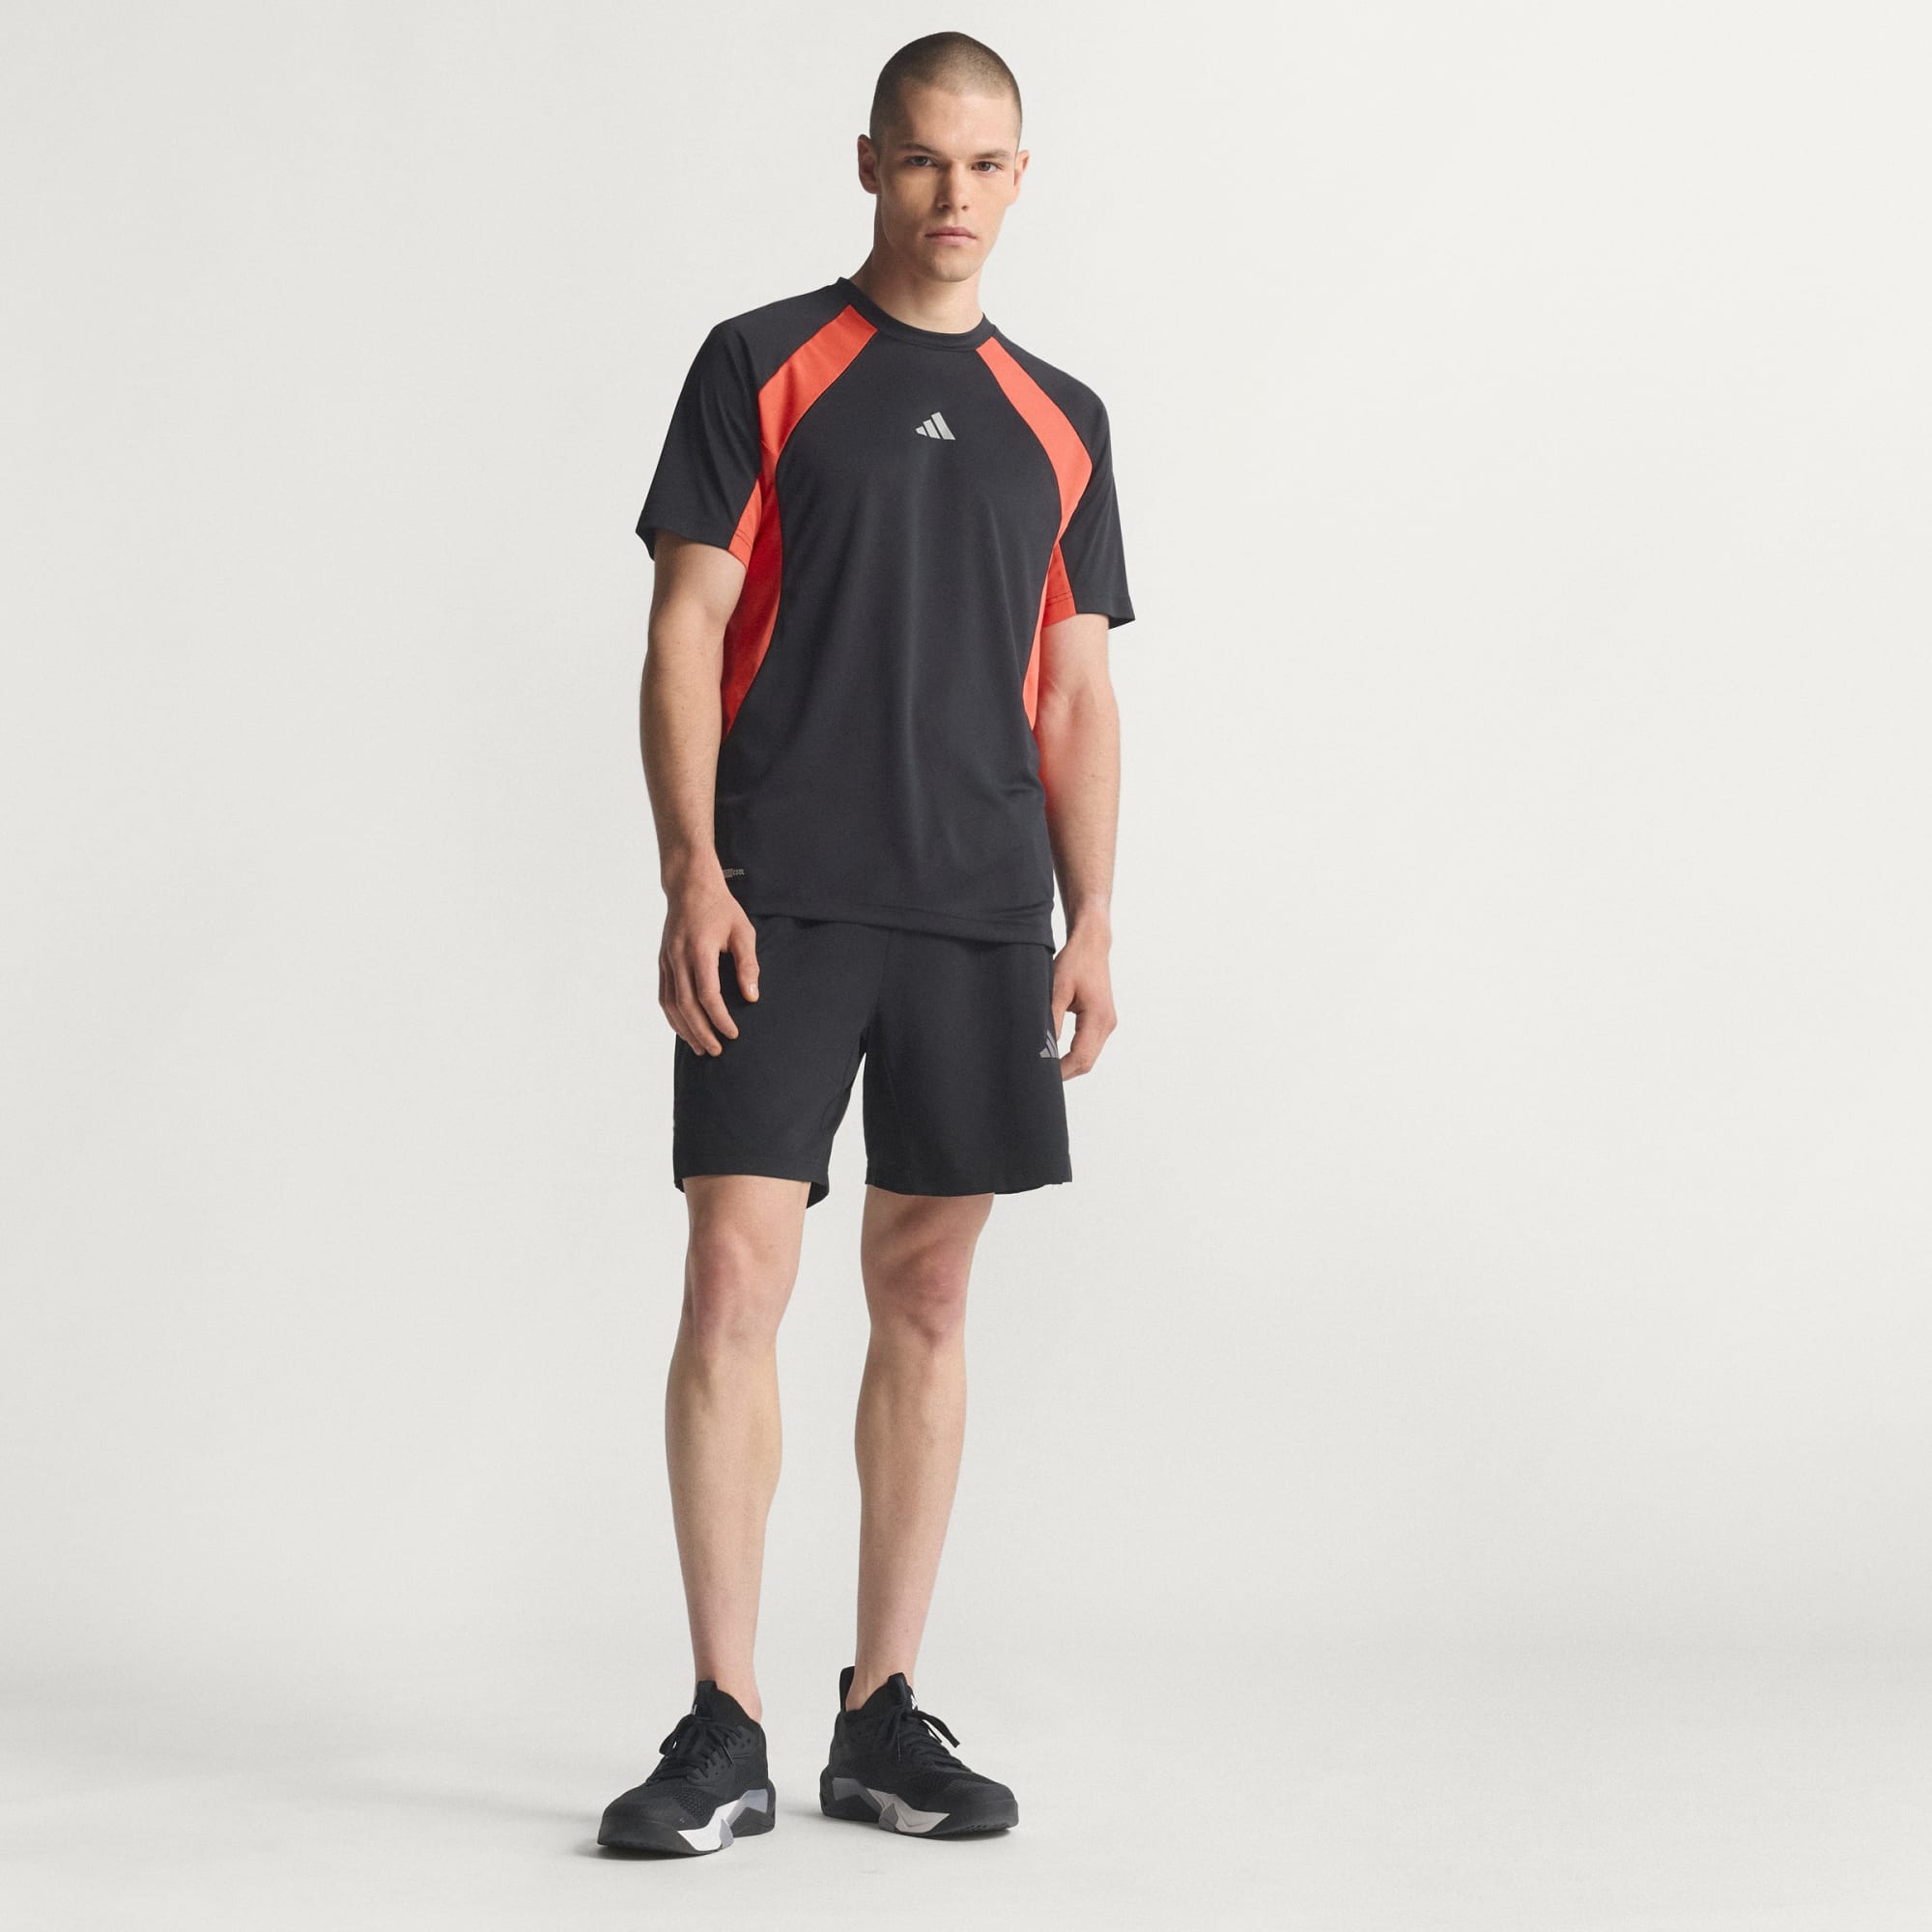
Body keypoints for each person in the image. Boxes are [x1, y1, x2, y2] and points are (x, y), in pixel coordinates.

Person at [597, 31, 1135, 1857]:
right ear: (868, 164)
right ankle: (722, 1722)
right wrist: (691, 868)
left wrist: (1094, 915)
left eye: (984, 165)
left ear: (1021, 177)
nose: (952, 196)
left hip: (979, 906)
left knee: (927, 1294)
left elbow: (1074, 691)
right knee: (734, 1281)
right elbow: (684, 630)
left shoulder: (1064, 416)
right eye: (921, 160)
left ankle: (881, 1714)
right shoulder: (761, 364)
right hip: (782, 894)